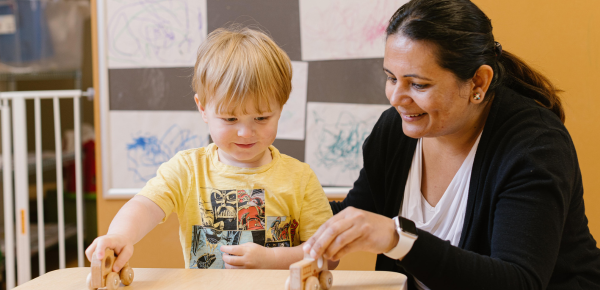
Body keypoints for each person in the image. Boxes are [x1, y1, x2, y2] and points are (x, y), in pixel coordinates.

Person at [302, 0, 600, 289]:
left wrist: (399, 239)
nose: (395, 98)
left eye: (418, 84)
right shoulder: (395, 129)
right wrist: (289, 204)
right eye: (391, 78)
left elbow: (518, 280)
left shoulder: (535, 147)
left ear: (478, 83)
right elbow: (358, 214)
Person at [86, 27, 334, 271]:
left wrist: (272, 260)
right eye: (230, 119)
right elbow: (145, 206)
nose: (245, 133)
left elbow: (329, 255)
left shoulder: (300, 178)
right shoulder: (188, 169)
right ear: (203, 108)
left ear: (281, 108)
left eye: (261, 118)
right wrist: (120, 236)